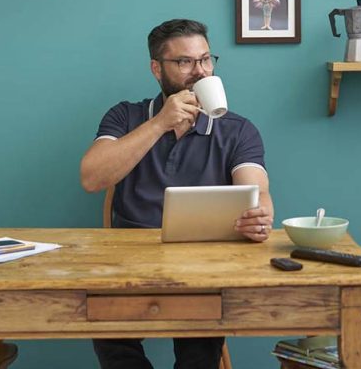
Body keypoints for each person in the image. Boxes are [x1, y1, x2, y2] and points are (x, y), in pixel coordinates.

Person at [80, 19, 274, 369]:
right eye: (185, 62)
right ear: (157, 68)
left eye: (205, 60)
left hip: (205, 266)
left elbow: (256, 189)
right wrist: (159, 124)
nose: (199, 72)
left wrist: (259, 216)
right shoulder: (127, 116)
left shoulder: (237, 130)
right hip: (127, 265)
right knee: (106, 325)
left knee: (200, 344)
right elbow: (92, 178)